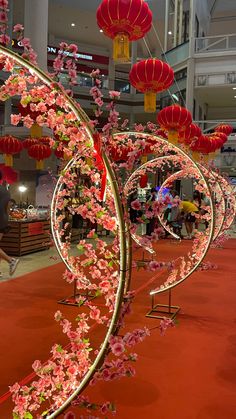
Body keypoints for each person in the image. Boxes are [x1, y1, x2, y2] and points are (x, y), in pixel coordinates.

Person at [0, 171, 19, 277]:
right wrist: (6, 220)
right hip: (3, 220)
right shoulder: (6, 191)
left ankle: (11, 260)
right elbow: (8, 207)